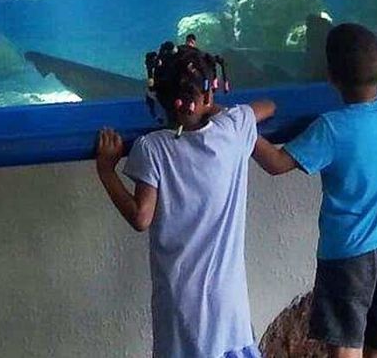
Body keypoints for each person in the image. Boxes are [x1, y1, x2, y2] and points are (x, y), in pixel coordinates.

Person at [95, 38, 275, 358]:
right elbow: (269, 106)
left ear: (159, 97)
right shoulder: (233, 129)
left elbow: (141, 217)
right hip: (226, 303)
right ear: (210, 91)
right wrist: (212, 107)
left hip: (179, 303)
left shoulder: (153, 148)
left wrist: (107, 172)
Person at [253, 23, 377, 358]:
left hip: (347, 255)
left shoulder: (331, 127)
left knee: (345, 346)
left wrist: (239, 129)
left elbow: (276, 163)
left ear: (330, 77)